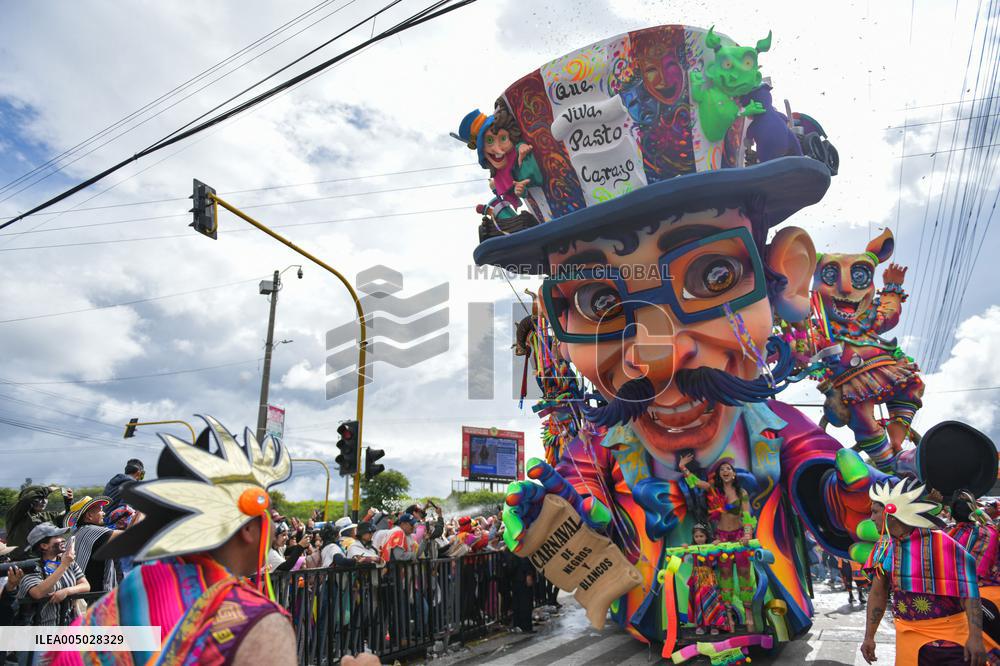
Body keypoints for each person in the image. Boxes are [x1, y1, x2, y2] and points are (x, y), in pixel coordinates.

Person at [478, 24, 895, 646]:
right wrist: (554, 515)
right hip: (649, 634)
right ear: (556, 321)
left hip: (774, 628)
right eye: (597, 302)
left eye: (712, 275)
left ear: (785, 276)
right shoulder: (605, 444)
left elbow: (827, 492)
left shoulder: (774, 429)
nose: (659, 355)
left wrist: (851, 502)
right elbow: (576, 512)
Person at [45, 416, 296, 665]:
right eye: (270, 515)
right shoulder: (259, 623)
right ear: (249, 530)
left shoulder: (138, 585)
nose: (275, 527)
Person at [861, 479, 996, 666]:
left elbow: (969, 592)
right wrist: (869, 636)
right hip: (910, 641)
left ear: (891, 512)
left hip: (953, 642)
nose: (872, 518)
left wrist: (975, 637)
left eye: (875, 511)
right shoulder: (884, 548)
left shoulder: (943, 544)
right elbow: (878, 593)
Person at [680, 455, 756, 631]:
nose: (725, 471)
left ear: (734, 474)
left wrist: (746, 535)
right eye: (722, 469)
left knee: (745, 575)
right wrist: (683, 468)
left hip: (739, 538)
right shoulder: (714, 490)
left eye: (728, 468)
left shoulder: (741, 493)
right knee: (725, 577)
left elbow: (747, 517)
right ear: (719, 475)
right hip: (721, 538)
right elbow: (696, 482)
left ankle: (749, 614)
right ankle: (728, 616)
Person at [18, 523, 89, 627]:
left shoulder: (68, 562)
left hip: (68, 627)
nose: (63, 539)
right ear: (44, 545)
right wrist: (64, 565)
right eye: (57, 537)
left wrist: (66, 591)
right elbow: (37, 592)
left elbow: (86, 585)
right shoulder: (31, 567)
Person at [66, 496, 129, 593]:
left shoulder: (77, 532)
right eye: (100, 510)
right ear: (89, 515)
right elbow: (131, 534)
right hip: (95, 596)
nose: (103, 513)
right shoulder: (93, 531)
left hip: (83, 595)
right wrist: (141, 512)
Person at [4, 486, 74, 551]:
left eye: (45, 498)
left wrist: (68, 504)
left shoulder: (50, 516)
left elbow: (69, 522)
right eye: (39, 498)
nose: (43, 501)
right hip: (23, 562)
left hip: (46, 560)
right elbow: (27, 500)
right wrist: (47, 490)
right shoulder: (15, 515)